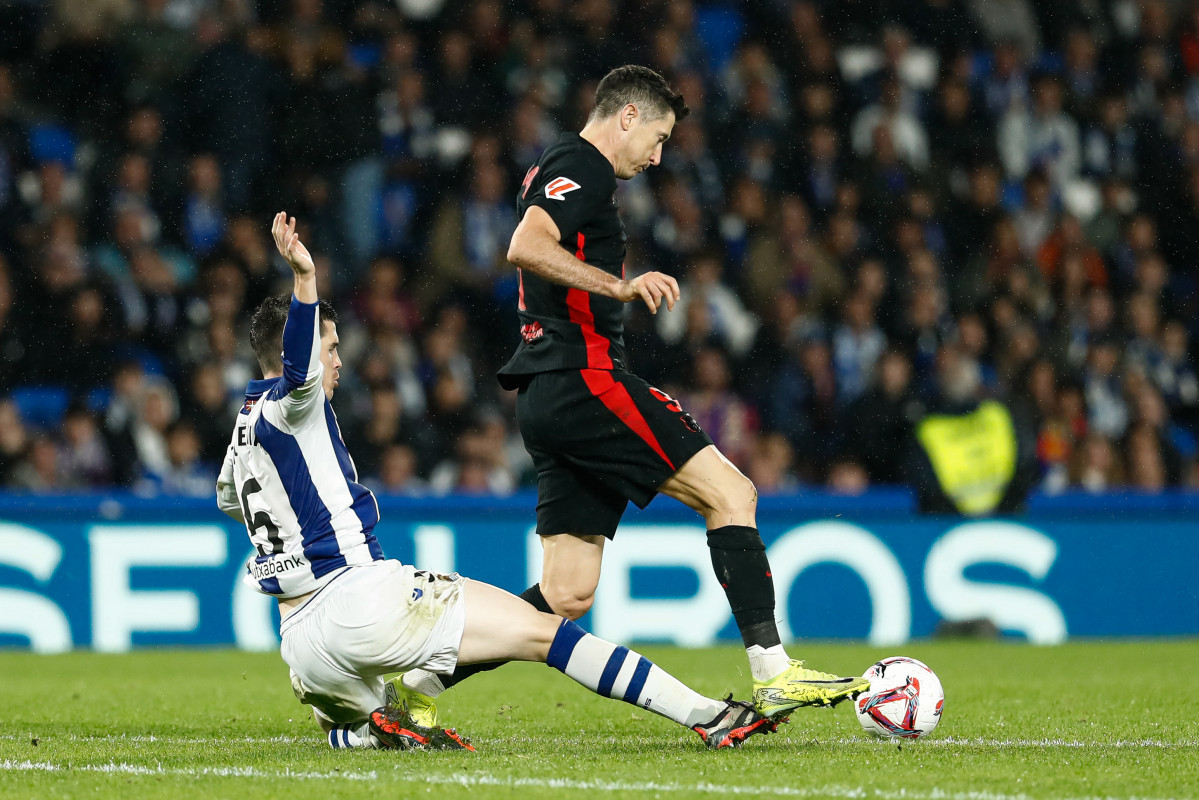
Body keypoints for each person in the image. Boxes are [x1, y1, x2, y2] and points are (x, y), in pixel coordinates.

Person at [398, 65, 868, 728]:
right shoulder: (580, 163)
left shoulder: (558, 169)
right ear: (627, 116)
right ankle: (774, 672)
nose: (658, 154)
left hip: (546, 394)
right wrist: (615, 286)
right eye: (658, 135)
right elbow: (524, 246)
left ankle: (414, 687)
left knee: (563, 595)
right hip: (585, 381)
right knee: (732, 494)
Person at [215, 213, 777, 751]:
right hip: (358, 601)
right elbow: (299, 372)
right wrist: (306, 277)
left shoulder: (243, 429)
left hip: (302, 646)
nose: (338, 362)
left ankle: (365, 728)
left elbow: (234, 501)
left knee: (370, 714)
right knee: (545, 634)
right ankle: (708, 715)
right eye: (331, 348)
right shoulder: (293, 406)